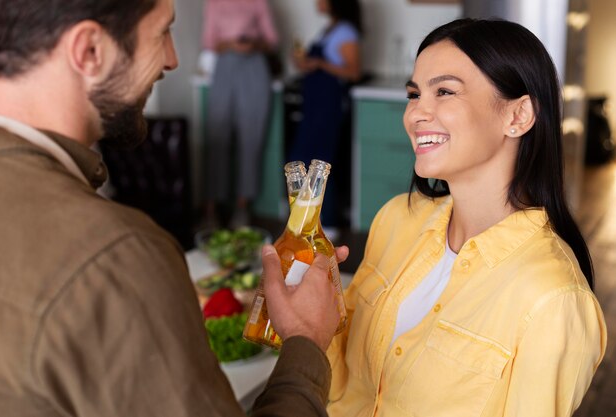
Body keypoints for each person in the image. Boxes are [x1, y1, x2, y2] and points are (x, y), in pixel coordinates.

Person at [0, 0, 348, 415]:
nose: (173, 59)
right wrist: (305, 340)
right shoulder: (119, 254)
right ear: (89, 50)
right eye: (162, 32)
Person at [326, 18, 607, 417]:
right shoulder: (395, 220)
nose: (416, 114)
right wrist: (313, 323)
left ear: (518, 116)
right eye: (414, 94)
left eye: (444, 91)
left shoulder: (553, 300)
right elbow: (345, 386)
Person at [201, 0, 279, 228]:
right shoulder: (213, 4)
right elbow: (208, 42)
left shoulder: (258, 2)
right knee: (217, 140)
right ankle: (210, 210)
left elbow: (272, 40)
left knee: (251, 141)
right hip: (224, 67)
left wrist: (253, 44)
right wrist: (230, 44)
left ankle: (242, 208)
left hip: (255, 69)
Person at [289, 0, 362, 237]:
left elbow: (353, 71)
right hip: (314, 106)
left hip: (327, 107)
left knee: (321, 163)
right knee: (303, 161)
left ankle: (327, 224)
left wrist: (320, 63)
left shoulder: (345, 32)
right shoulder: (329, 29)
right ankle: (308, 222)